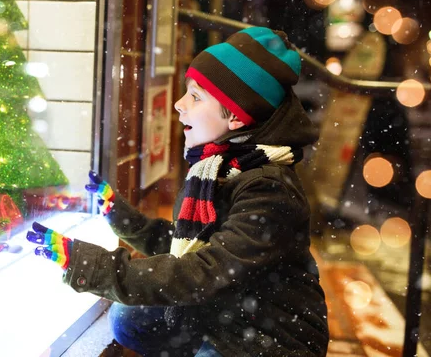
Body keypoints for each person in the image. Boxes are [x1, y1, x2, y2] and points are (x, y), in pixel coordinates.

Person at [27, 26, 329, 356]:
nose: (178, 104)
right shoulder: (222, 167)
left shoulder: (268, 189)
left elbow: (206, 271)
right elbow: (188, 247)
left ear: (237, 117)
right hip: (233, 314)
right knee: (131, 319)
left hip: (269, 341)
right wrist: (121, 216)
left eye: (196, 97)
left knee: (141, 312)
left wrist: (98, 269)